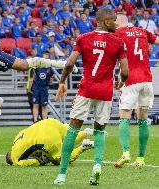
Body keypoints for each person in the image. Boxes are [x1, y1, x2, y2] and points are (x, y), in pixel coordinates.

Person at [53, 9, 129, 186]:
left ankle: (62, 175)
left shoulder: (83, 38)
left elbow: (70, 63)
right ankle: (96, 166)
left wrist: (62, 81)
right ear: (104, 21)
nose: (117, 24)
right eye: (114, 21)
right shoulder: (118, 42)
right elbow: (125, 71)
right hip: (105, 92)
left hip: (86, 89)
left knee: (73, 129)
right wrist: (121, 82)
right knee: (99, 130)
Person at [114, 14, 159, 168]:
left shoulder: (118, 33)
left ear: (119, 22)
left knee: (124, 115)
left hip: (131, 80)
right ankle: (140, 158)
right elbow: (157, 40)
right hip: (147, 80)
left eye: (114, 22)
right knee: (142, 119)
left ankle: (126, 153)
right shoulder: (143, 31)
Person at [5, 118, 94, 166]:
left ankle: (83, 146)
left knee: (60, 160)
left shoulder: (15, 160)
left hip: (47, 139)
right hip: (49, 122)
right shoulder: (15, 140)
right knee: (68, 137)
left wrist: (48, 159)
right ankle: (86, 133)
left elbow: (36, 162)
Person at [32, 51, 54, 123]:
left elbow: (52, 76)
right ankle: (35, 120)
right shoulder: (38, 66)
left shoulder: (49, 67)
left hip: (44, 88)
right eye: (45, 54)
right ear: (42, 55)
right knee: (36, 104)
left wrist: (50, 84)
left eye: (47, 54)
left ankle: (44, 121)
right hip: (36, 87)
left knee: (44, 105)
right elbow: (34, 76)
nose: (46, 56)